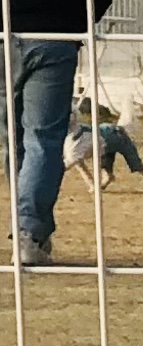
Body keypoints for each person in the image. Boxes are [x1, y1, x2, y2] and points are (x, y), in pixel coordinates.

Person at [4, 0, 106, 267]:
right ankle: (29, 233)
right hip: (55, 35)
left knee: (13, 140)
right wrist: (81, 18)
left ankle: (28, 227)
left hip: (6, 32)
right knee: (43, 140)